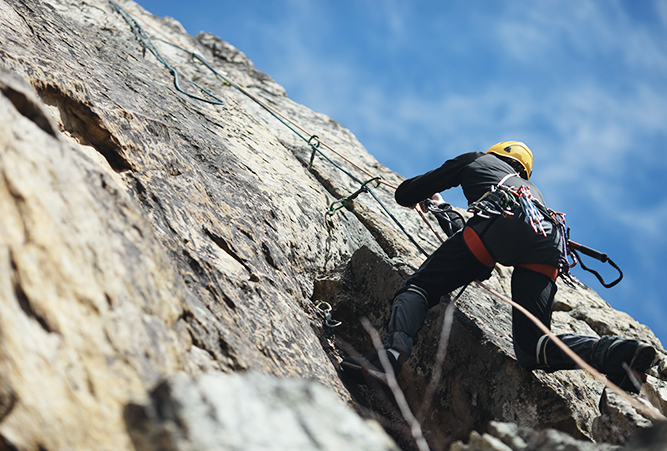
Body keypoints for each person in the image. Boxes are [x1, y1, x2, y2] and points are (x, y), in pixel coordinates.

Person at [341, 141, 656, 394]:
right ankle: (612, 352)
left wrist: (431, 197)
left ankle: (389, 358)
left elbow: (405, 193)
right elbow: (479, 262)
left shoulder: (477, 159)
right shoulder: (534, 193)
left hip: (501, 223)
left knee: (419, 288)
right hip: (549, 242)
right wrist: (449, 218)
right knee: (534, 348)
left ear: (496, 153)